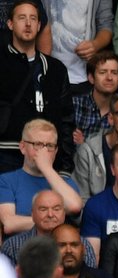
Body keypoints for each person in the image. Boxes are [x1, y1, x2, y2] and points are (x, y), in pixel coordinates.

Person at [0, 2, 75, 176]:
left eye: (33, 18)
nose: (28, 23)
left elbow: (66, 121)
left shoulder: (56, 69)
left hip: (47, 156)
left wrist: (64, 168)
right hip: (6, 152)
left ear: (39, 25)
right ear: (10, 24)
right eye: (22, 18)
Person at [1, 122, 83, 240]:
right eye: (37, 144)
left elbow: (74, 206)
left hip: (57, 252)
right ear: (23, 147)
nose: (44, 152)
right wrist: (52, 222)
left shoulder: (65, 183)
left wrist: (46, 168)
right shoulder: (6, 180)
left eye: (49, 146)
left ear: (55, 151)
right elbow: (9, 224)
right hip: (20, 251)